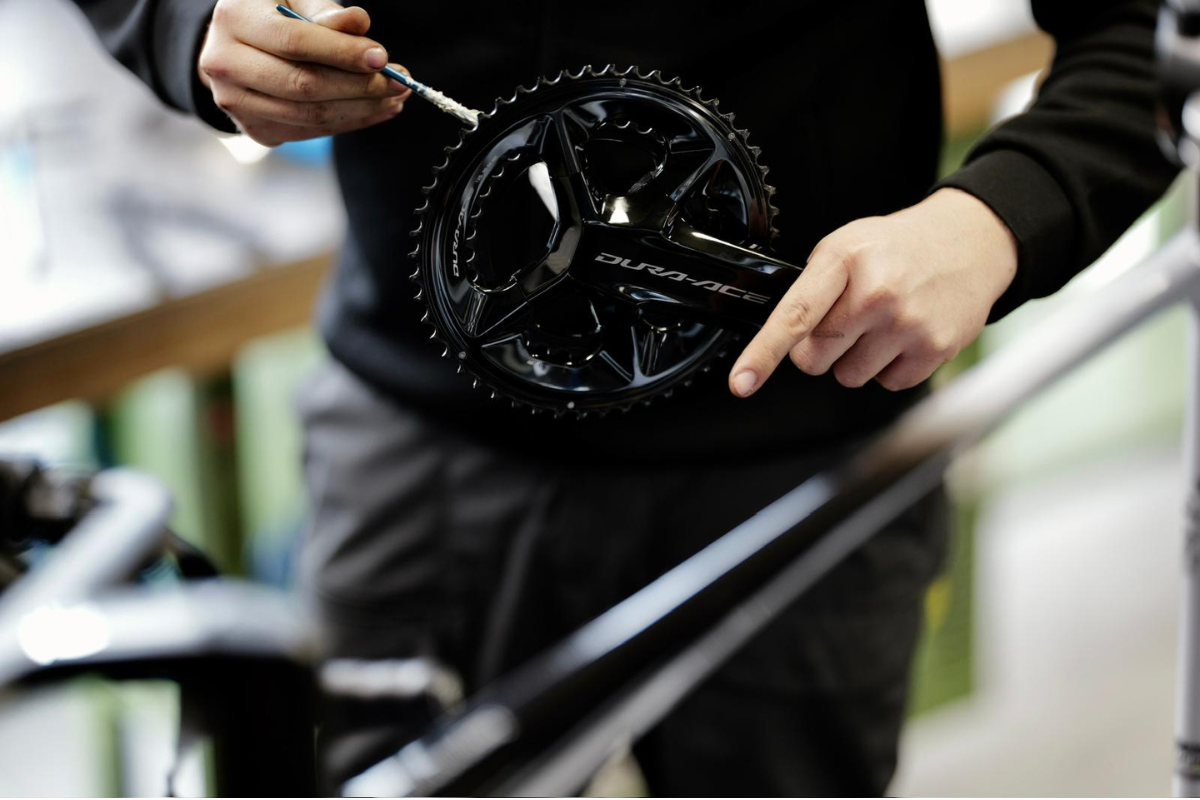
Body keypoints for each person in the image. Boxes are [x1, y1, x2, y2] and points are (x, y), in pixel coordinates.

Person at [70, 0, 1178, 794]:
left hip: (801, 472)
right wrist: (185, 23)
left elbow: (1153, 29)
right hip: (422, 454)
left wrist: (997, 218)